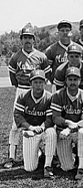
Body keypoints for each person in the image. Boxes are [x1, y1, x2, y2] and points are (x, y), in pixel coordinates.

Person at [5, 27, 51, 169]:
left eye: (30, 37)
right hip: (22, 89)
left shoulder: (41, 56)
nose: (27, 40)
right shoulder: (15, 56)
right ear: (21, 40)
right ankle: (11, 156)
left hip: (38, 90)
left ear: (33, 39)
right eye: (24, 37)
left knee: (39, 120)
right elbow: (12, 75)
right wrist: (19, 86)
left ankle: (39, 151)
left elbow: (47, 73)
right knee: (15, 125)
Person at [14, 69, 56, 177]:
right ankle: (39, 153)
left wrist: (42, 127)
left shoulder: (49, 97)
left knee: (52, 133)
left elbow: (50, 118)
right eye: (35, 82)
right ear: (30, 83)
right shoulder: (23, 96)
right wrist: (30, 127)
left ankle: (48, 165)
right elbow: (18, 115)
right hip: (30, 131)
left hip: (44, 129)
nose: (38, 85)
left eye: (41, 82)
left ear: (45, 83)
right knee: (30, 168)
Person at [51, 67, 83, 180]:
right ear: (66, 81)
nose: (72, 82)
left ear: (80, 81)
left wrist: (71, 128)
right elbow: (55, 117)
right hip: (63, 132)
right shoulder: (58, 95)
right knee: (66, 167)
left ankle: (81, 167)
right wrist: (68, 123)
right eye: (70, 79)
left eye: (75, 79)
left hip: (76, 131)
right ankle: (74, 154)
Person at [45, 20, 83, 87]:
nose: (65, 33)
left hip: (76, 83)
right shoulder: (51, 50)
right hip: (59, 84)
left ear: (71, 32)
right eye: (62, 30)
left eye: (67, 30)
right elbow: (47, 70)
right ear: (58, 32)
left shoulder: (79, 48)